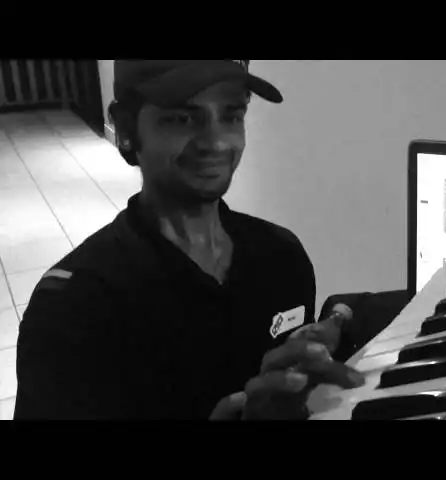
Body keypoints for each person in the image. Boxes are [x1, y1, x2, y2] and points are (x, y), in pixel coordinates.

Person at [14, 60, 365, 420]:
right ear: (126, 128)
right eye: (181, 118)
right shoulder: (73, 308)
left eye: (231, 115)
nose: (217, 142)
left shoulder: (282, 256)